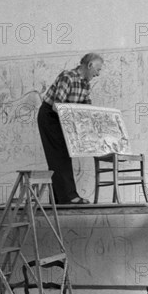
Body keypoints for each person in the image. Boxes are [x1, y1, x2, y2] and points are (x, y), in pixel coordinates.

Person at [37, 53, 104, 204]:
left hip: (63, 118)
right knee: (59, 156)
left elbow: (87, 108)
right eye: (97, 69)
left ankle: (60, 198)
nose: (98, 74)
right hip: (50, 116)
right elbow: (57, 106)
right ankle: (68, 197)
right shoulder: (68, 77)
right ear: (89, 65)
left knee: (63, 155)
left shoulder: (85, 83)